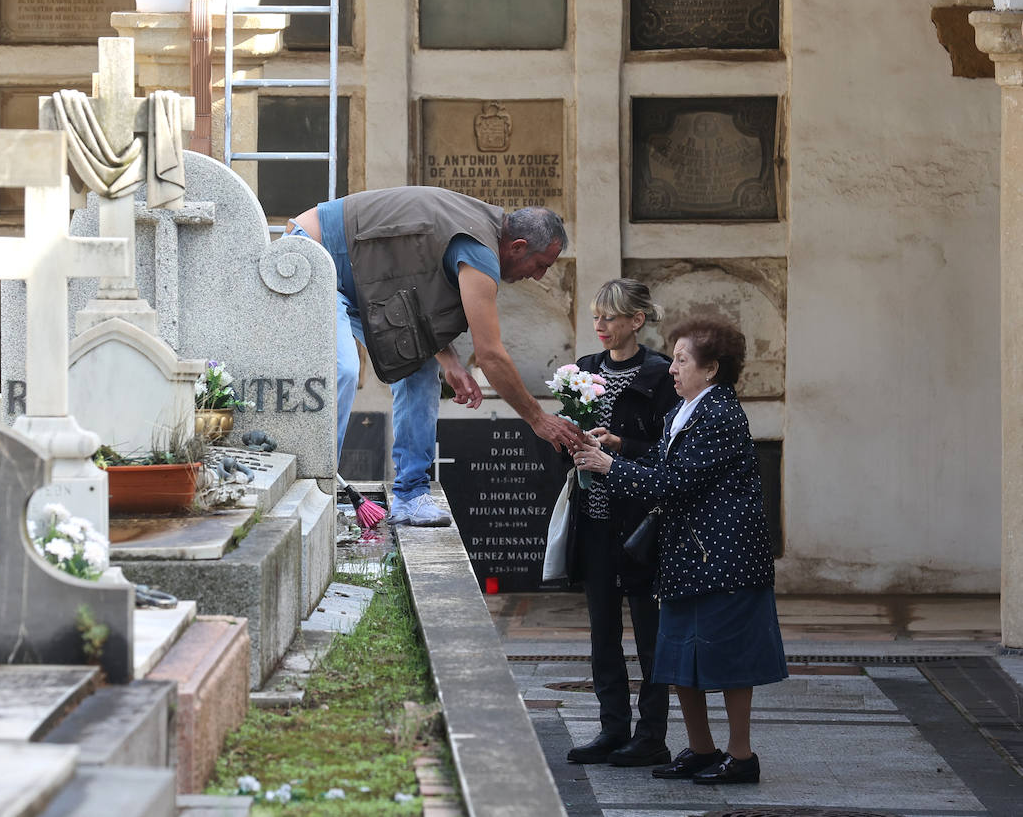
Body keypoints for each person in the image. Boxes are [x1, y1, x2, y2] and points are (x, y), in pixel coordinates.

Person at [287, 186, 583, 526]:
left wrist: (451, 362)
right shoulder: (479, 250)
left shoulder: (476, 229)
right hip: (312, 255)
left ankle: (410, 497)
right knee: (342, 369)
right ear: (517, 247)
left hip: (363, 279)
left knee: (419, 370)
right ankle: (316, 491)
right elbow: (491, 356)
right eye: (540, 264)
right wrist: (538, 419)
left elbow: (415, 288)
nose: (538, 276)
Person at [572, 314, 786, 785]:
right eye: (674, 358)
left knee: (728, 662)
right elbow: (657, 459)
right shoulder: (681, 412)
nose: (672, 368)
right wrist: (618, 444)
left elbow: (675, 482)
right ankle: (701, 749)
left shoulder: (721, 414)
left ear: (710, 369)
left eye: (682, 360)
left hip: (725, 560)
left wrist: (609, 466)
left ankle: (741, 756)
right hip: (687, 559)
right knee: (680, 658)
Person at [559, 279, 680, 768]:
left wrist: (619, 446)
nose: (600, 326)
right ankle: (612, 729)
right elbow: (561, 436)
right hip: (594, 519)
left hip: (642, 524)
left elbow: (674, 456)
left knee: (650, 634)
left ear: (637, 320)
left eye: (610, 317)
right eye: (596, 316)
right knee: (602, 630)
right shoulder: (584, 370)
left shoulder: (661, 375)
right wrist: (568, 440)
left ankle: (652, 735)